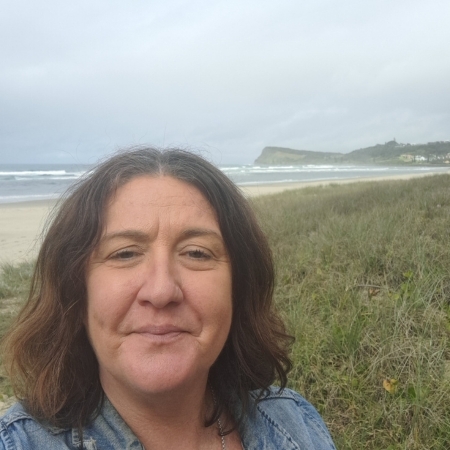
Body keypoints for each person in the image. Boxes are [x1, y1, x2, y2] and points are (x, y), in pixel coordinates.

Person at [0, 148, 336, 449]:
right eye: (125, 253)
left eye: (197, 253)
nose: (161, 291)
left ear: (238, 287)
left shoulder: (295, 422)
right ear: (76, 290)